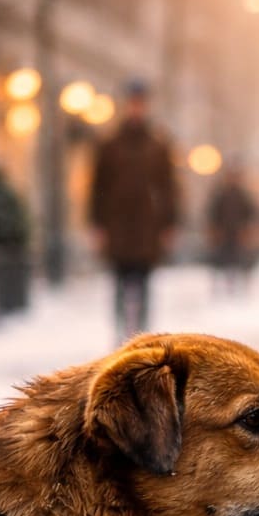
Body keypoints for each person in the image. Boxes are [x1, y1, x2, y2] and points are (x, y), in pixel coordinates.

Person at [88, 79, 181, 340]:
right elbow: (98, 187)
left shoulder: (158, 146)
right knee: (118, 282)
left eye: (140, 104)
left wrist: (169, 224)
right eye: (132, 103)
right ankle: (119, 333)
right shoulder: (110, 144)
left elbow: (169, 188)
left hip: (146, 227)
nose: (136, 109)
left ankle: (141, 335)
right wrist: (97, 224)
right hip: (117, 225)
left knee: (144, 283)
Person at [205, 163, 259, 294]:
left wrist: (247, 229)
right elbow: (212, 213)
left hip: (238, 232)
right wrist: (214, 229)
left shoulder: (244, 195)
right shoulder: (220, 195)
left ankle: (238, 284)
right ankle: (221, 285)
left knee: (239, 258)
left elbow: (250, 213)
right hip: (223, 232)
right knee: (221, 258)